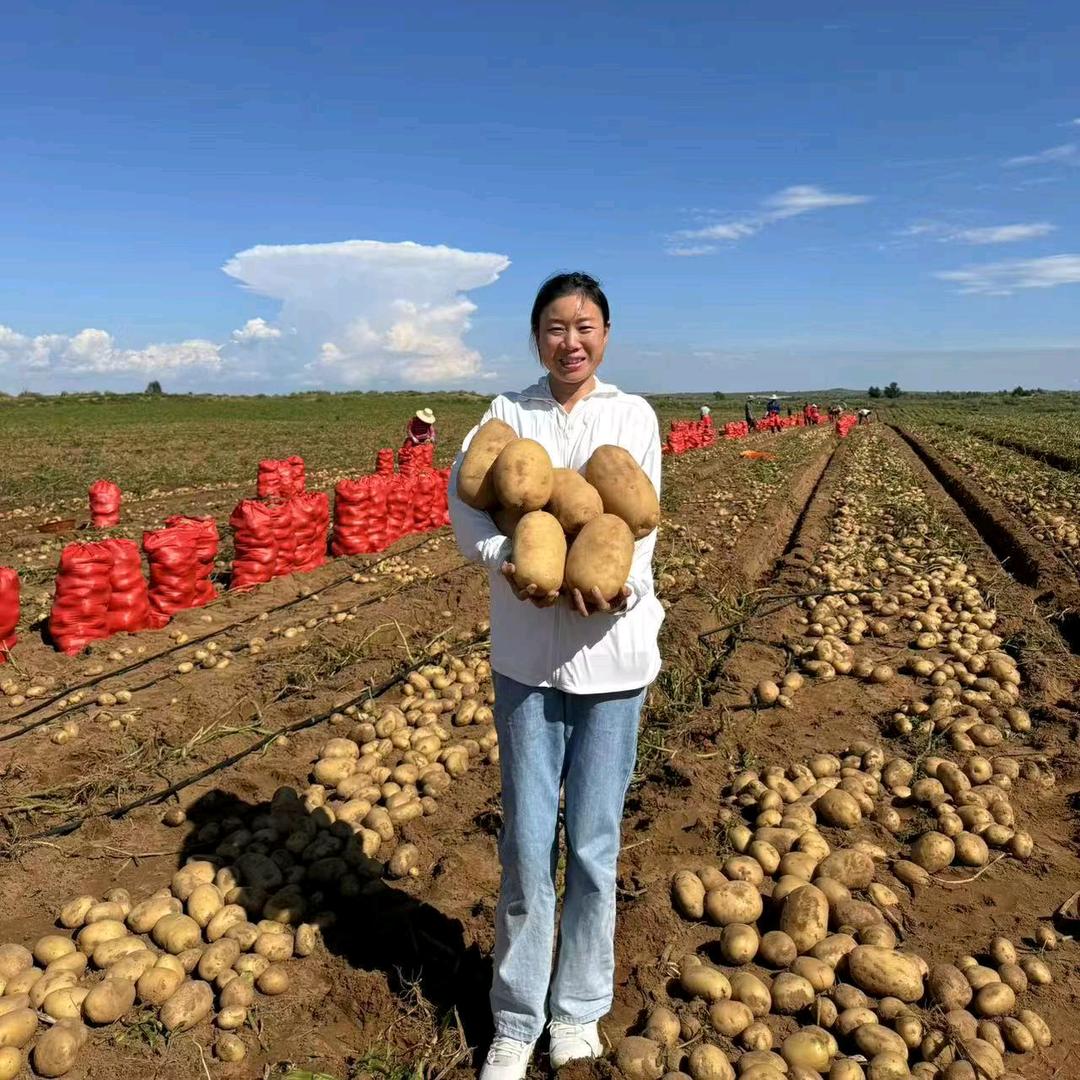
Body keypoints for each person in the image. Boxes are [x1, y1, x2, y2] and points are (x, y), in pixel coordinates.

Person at [449, 273, 663, 1080]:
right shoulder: (505, 417)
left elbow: (638, 535)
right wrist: (504, 555)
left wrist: (616, 585)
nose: (569, 340)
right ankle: (515, 1016)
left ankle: (578, 1012)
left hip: (613, 660)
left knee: (597, 847)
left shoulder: (631, 417)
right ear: (535, 335)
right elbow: (464, 505)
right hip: (527, 664)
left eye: (584, 325)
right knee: (528, 847)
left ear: (605, 333)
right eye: (553, 326)